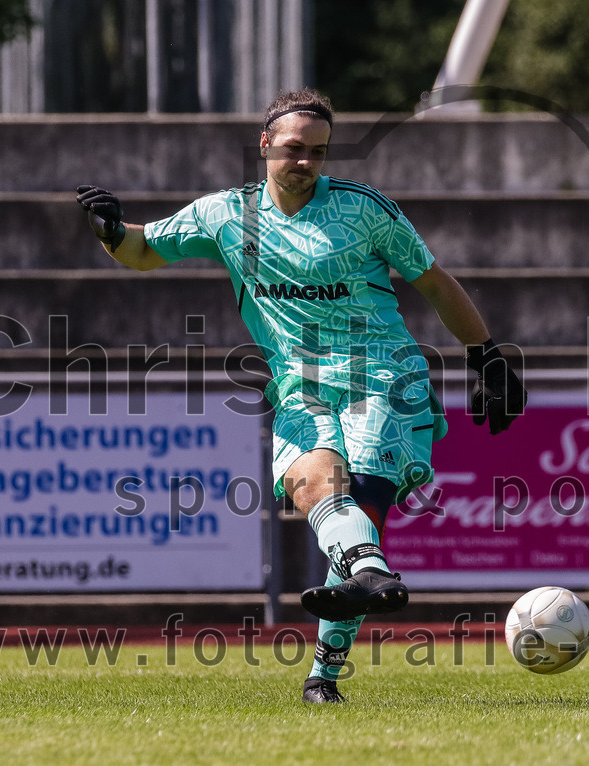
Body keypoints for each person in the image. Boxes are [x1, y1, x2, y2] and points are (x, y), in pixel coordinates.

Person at [76, 88, 526, 704]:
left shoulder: (366, 211)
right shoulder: (226, 215)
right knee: (317, 489)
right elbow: (143, 249)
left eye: (318, 151)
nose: (305, 162)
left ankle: (326, 668)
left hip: (383, 376)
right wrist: (109, 232)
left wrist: (487, 357)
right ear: (264, 145)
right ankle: (366, 585)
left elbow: (436, 283)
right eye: (293, 149)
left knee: (358, 504)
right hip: (299, 388)